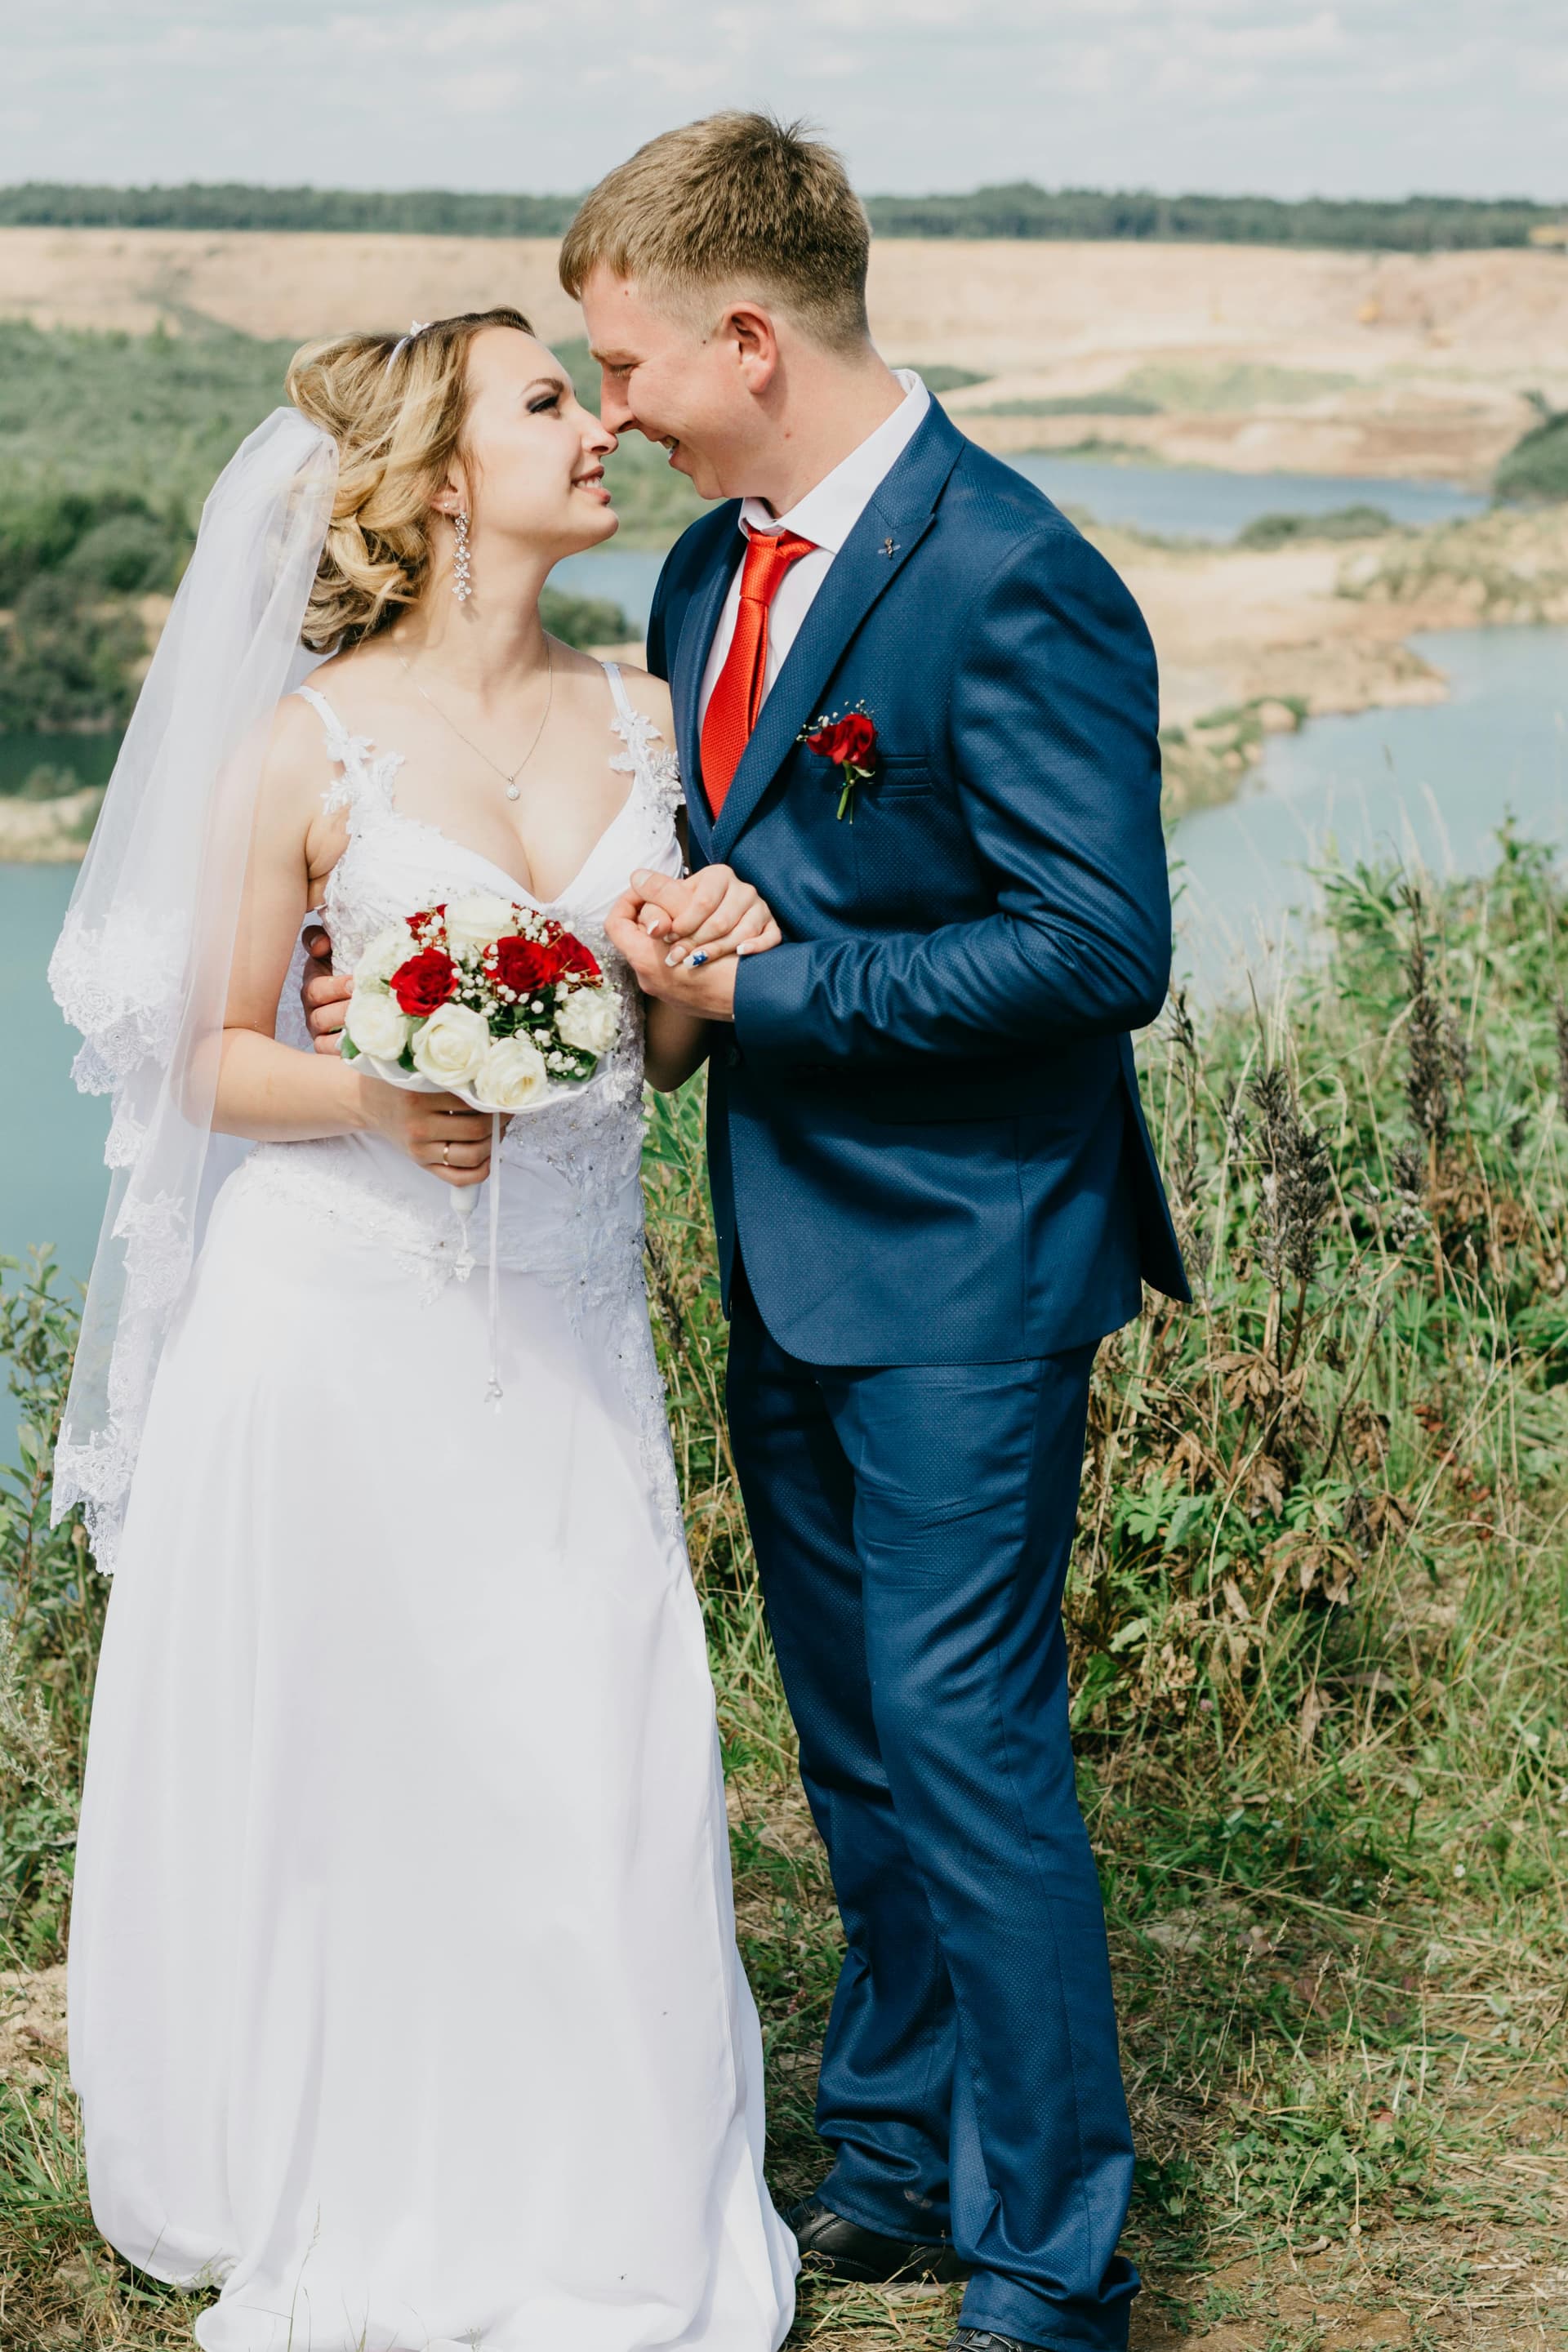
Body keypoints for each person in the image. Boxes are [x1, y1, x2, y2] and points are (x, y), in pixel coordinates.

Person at [52, 308, 797, 2352]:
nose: (605, 424)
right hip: (339, 1320)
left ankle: (597, 2183)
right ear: (446, 478)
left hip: (563, 1315)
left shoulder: (654, 718)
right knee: (376, 1761)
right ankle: (360, 2154)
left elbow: (643, 1053)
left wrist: (690, 960)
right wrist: (379, 1094)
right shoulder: (308, 743)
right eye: (551, 402)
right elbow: (201, 1059)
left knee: (584, 1736)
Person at [581, 114, 1190, 2352]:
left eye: (627, 362)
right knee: (848, 1739)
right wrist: (691, 930)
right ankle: (906, 2149)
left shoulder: (1008, 568)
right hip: (785, 1245)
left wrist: (774, 993)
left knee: (967, 1739)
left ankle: (1051, 2266)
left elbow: (1098, 945)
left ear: (750, 333)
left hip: (970, 1263)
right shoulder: (701, 576)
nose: (613, 407)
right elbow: (761, 866)